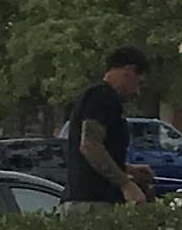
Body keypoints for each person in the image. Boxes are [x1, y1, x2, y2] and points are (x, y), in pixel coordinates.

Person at [64, 48, 154, 206]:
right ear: (129, 70)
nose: (137, 93)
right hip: (92, 203)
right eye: (139, 83)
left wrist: (128, 169)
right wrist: (126, 184)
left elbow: (92, 156)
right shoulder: (102, 96)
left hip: (85, 200)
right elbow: (90, 146)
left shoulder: (98, 97)